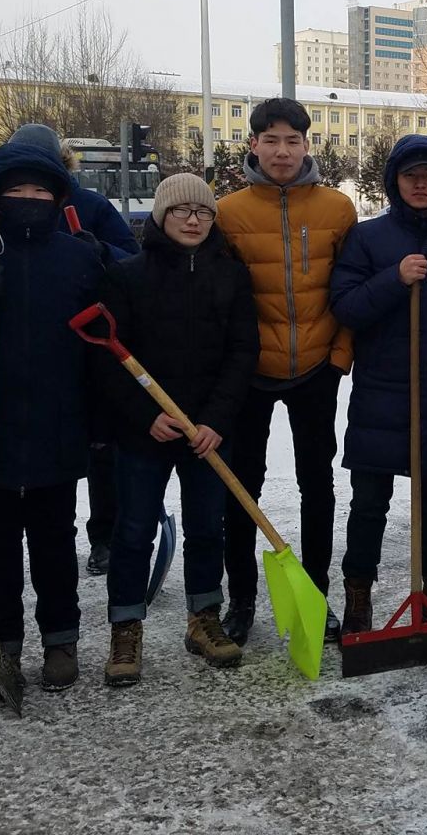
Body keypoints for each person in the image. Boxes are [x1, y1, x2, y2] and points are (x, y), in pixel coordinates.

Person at [0, 135, 105, 700]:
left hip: (58, 421)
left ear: (58, 195)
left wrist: (97, 422)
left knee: (56, 541)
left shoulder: (77, 257)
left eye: (40, 189)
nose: (29, 198)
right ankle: (2, 646)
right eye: (17, 189)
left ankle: (61, 640)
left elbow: (99, 343)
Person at [95, 174, 261, 685]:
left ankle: (203, 619)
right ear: (161, 216)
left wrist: (216, 419)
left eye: (203, 212)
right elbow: (106, 361)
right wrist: (144, 416)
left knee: (207, 528)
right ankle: (126, 628)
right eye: (181, 211)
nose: (193, 220)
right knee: (133, 531)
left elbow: (243, 353)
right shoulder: (128, 276)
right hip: (145, 431)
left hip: (207, 431)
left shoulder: (230, 276)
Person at [330, 134, 427, 632]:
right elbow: (346, 306)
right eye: (410, 176)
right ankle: (358, 595)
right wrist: (394, 278)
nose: (420, 184)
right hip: (381, 393)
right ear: (394, 182)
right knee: (369, 503)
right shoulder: (368, 238)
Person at [216, 98, 357, 645]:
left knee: (317, 485)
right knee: (241, 487)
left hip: (316, 368)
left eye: (292, 141)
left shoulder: (336, 209)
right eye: (271, 140)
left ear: (306, 145)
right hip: (249, 374)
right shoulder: (228, 213)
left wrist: (339, 358)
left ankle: (316, 596)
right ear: (253, 145)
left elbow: (348, 288)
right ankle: (242, 599)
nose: (282, 151)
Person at [0, 122, 141, 577]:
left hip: (90, 343)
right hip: (28, 349)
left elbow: (132, 259)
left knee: (102, 450)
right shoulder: (0, 210)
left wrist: (100, 250)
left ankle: (105, 536)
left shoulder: (90, 206)